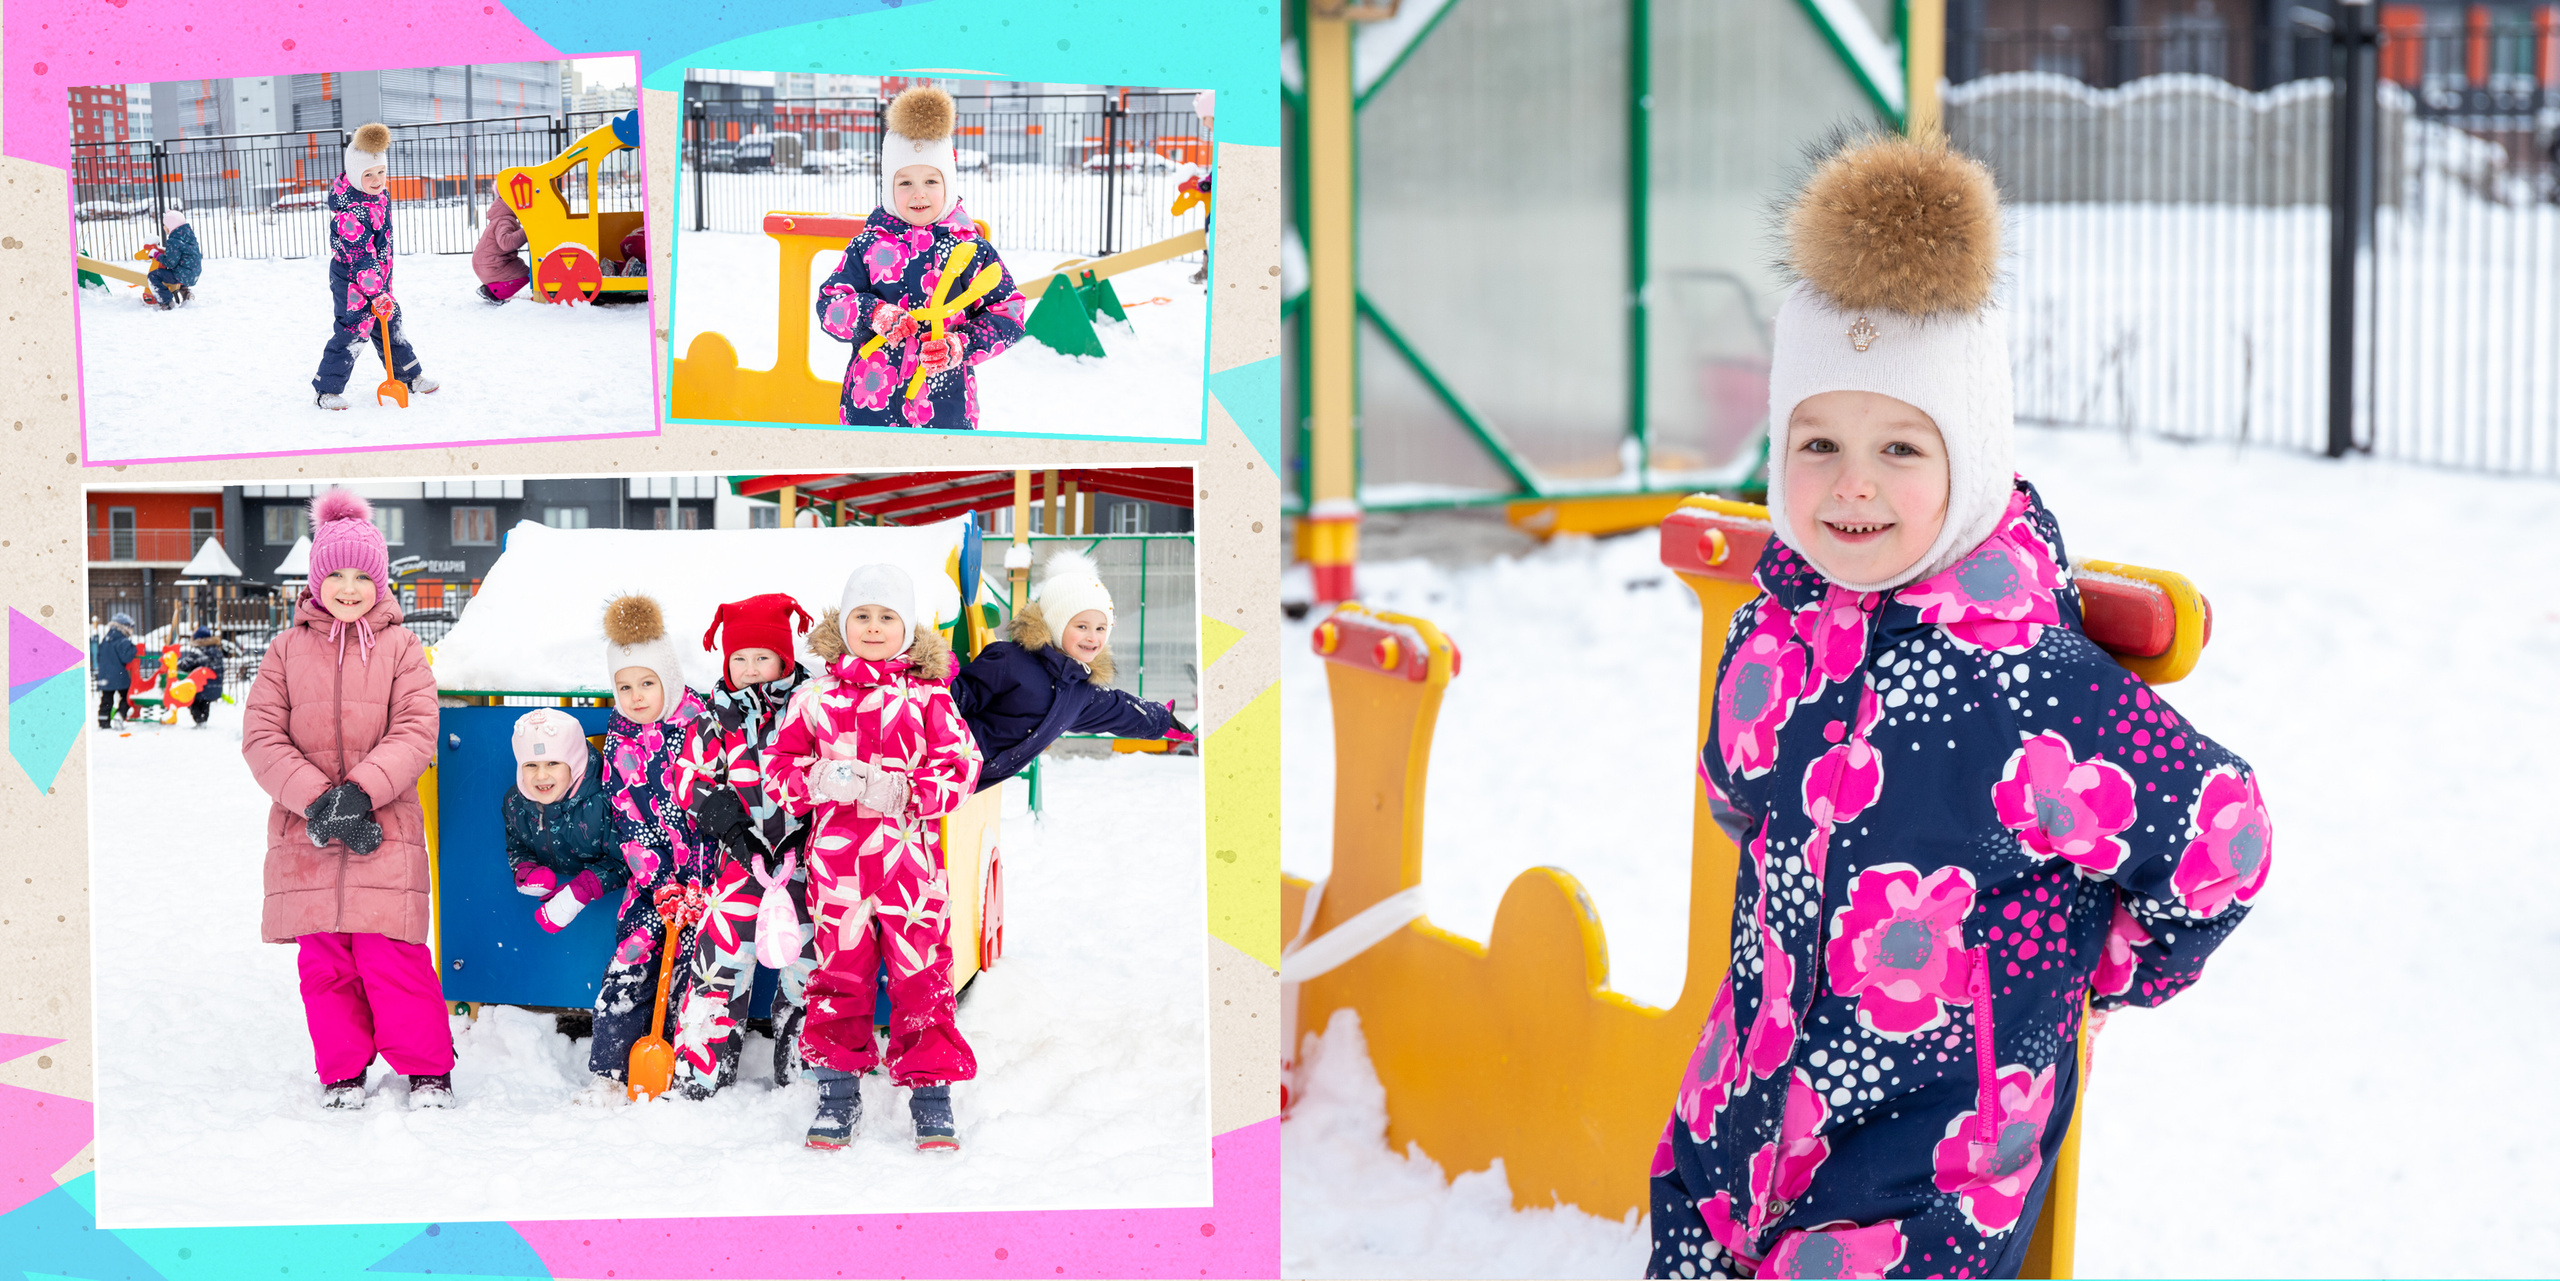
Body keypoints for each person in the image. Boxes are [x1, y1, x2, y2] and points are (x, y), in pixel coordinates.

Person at [1644, 134, 2271, 1280]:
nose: (1853, 484)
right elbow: (1735, 783)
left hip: (1921, 1176)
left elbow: (2220, 833)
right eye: (1817, 443)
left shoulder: (2030, 689)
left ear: (1971, 458)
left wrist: (2103, 963)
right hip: (1732, 1128)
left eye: (1900, 446)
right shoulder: (1776, 626)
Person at [237, 491, 449, 1110]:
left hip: (382, 829)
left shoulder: (402, 650)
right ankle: (342, 1071)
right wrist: (318, 801)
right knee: (326, 963)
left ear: (380, 581)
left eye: (363, 575)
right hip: (308, 834)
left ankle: (428, 1070)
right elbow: (261, 737)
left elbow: (416, 729)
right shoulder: (284, 651)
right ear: (316, 580)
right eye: (336, 574)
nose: (350, 587)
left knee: (393, 957)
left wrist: (359, 794)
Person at [763, 566, 982, 1150]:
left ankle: (932, 1097)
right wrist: (821, 776)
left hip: (909, 873)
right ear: (844, 623)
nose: (874, 627)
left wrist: (910, 791)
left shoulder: (930, 698)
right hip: (839, 874)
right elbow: (777, 772)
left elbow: (963, 767)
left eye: (888, 617)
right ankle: (837, 1096)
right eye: (862, 615)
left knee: (921, 979)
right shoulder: (814, 699)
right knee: (839, 981)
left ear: (908, 628)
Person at [668, 593, 821, 1098]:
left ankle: (804, 1065)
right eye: (740, 659)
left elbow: (832, 763)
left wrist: (806, 825)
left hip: (805, 864)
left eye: (763, 657)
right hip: (743, 862)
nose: (752, 669)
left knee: (809, 962)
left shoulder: (813, 705)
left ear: (785, 657)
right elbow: (691, 778)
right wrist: (733, 831)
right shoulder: (716, 717)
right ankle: (702, 1072)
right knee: (719, 960)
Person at [814, 85, 1027, 430]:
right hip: (871, 404)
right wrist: (873, 312)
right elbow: (830, 306)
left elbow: (1010, 312)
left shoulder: (971, 251)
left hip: (945, 407)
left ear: (949, 185)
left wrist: (962, 344)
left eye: (931, 180)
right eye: (905, 183)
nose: (919, 193)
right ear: (887, 187)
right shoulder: (868, 247)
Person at [579, 593, 718, 1103]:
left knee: (688, 973)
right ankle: (610, 1070)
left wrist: (698, 883)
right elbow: (627, 815)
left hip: (704, 883)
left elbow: (714, 811)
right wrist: (659, 883)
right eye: (624, 686)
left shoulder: (701, 724)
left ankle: (681, 1068)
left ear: (669, 679)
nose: (636, 696)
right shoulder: (619, 735)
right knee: (629, 967)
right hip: (651, 884)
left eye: (646, 683)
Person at [953, 549, 1191, 790]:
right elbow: (955, 697)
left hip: (963, 785)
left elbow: (1118, 710)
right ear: (1056, 623)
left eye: (1101, 629)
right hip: (939, 758)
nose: (1092, 637)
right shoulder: (1010, 661)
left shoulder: (1079, 691)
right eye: (1082, 626)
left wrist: (1161, 719)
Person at [313, 122, 440, 410]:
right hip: (352, 282)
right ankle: (327, 391)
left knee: (390, 323)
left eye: (381, 172)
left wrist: (381, 288)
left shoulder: (377, 198)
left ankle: (409, 376)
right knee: (353, 332)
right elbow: (361, 257)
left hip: (376, 280)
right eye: (368, 174)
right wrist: (376, 291)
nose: (377, 179)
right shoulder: (351, 213)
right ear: (355, 176)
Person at [502, 707, 622, 932]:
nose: (541, 776)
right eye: (531, 765)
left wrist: (582, 890)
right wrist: (526, 869)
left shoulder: (604, 802)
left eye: (552, 763)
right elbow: (516, 842)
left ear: (574, 762)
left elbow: (625, 860)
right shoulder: (515, 802)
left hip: (600, 919)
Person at [471, 189, 532, 304]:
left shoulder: (501, 217)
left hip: (486, 262)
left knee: (521, 268)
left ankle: (491, 288)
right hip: (491, 265)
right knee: (526, 274)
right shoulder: (505, 220)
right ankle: (494, 292)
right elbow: (506, 243)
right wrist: (528, 230)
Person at [143, 206, 202, 309]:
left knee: (153, 276)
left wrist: (156, 255)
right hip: (194, 273)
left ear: (170, 226)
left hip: (183, 275)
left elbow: (169, 263)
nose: (164, 228)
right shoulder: (189, 236)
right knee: (181, 270)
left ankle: (166, 302)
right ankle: (185, 292)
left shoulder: (173, 240)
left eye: (165, 225)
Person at [93, 613, 138, 729]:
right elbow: (126, 657)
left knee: (106, 699)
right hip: (119, 675)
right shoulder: (123, 641)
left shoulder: (105, 640)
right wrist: (134, 649)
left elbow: (98, 657)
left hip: (105, 675)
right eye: (131, 627)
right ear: (124, 627)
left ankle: (103, 721)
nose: (132, 629)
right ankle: (120, 715)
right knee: (128, 696)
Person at [176, 625, 226, 728]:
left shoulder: (198, 652)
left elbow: (184, 666)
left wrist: (175, 665)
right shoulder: (217, 651)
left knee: (193, 701)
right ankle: (203, 720)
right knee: (205, 702)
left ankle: (199, 719)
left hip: (200, 688)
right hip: (214, 686)